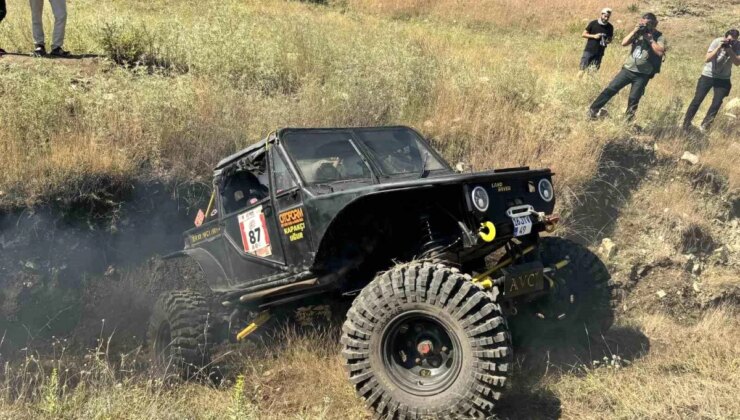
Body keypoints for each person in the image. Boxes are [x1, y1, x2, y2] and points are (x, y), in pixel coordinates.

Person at [589, 13, 666, 121]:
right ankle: (593, 109)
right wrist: (635, 31)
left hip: (643, 74)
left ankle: (628, 120)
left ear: (655, 24)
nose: (645, 26)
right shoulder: (638, 32)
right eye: (643, 23)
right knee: (611, 89)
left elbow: (660, 52)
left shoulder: (659, 36)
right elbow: (623, 43)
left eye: (648, 24)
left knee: (634, 98)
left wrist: (651, 40)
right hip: (628, 69)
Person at [683, 29, 740, 132]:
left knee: (717, 102)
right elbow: (707, 59)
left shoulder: (738, 45)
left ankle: (705, 126)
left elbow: (737, 62)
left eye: (734, 40)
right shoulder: (717, 41)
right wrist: (720, 47)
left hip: (723, 78)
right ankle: (686, 123)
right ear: (725, 37)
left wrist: (729, 49)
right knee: (697, 99)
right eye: (729, 40)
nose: (731, 42)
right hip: (708, 75)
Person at [580, 8, 614, 72]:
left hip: (600, 53)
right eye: (605, 16)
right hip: (589, 51)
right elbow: (583, 34)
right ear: (601, 14)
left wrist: (607, 41)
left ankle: (587, 82)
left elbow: (610, 39)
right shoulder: (593, 23)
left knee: (592, 72)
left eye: (608, 17)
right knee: (582, 70)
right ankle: (577, 82)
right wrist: (594, 36)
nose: (606, 18)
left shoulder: (610, 27)